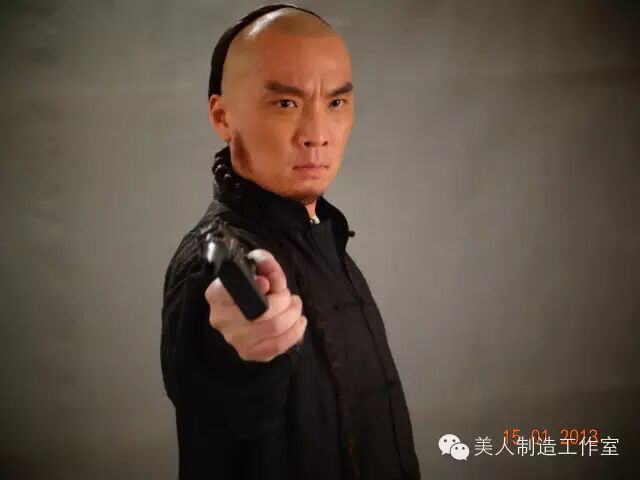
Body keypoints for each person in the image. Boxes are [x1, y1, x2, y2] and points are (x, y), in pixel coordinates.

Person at [161, 4, 421, 479]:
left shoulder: (323, 235)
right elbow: (226, 372)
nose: (317, 134)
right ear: (222, 116)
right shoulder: (215, 260)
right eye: (286, 103)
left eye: (336, 103)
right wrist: (250, 344)